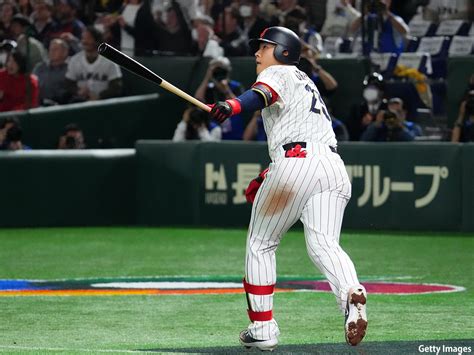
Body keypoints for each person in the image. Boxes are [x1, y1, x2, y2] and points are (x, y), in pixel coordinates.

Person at [209, 26, 367, 351]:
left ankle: (263, 328)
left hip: (296, 161)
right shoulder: (306, 83)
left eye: (264, 47)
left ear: (281, 52)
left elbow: (261, 96)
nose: (257, 53)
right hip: (332, 168)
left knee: (261, 244)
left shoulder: (280, 72)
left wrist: (233, 105)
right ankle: (351, 293)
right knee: (324, 244)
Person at [65, 26, 123, 102]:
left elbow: (116, 87)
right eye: (83, 38)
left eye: (88, 38)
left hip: (104, 102)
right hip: (81, 101)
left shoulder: (109, 61)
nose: (84, 41)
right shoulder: (75, 59)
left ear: (97, 40)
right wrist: (78, 91)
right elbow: (68, 83)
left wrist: (100, 96)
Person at [195, 56, 245, 140]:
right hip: (214, 132)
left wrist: (226, 89)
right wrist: (208, 77)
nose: (219, 73)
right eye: (216, 70)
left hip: (234, 132)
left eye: (221, 69)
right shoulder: (210, 88)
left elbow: (240, 105)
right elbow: (198, 99)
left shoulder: (236, 86)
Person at [33, 38, 70, 105]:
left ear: (65, 52)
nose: (52, 51)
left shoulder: (70, 68)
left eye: (55, 49)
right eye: (50, 49)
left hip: (62, 105)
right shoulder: (40, 68)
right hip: (40, 105)